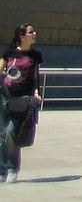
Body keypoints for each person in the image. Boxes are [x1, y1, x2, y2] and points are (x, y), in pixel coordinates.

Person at [1, 25, 42, 183]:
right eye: (31, 32)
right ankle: (1, 169)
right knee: (1, 135)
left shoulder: (35, 55)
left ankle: (12, 167)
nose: (34, 34)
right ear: (22, 36)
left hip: (22, 98)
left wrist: (36, 92)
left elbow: (36, 76)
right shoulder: (9, 53)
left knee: (11, 132)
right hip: (4, 96)